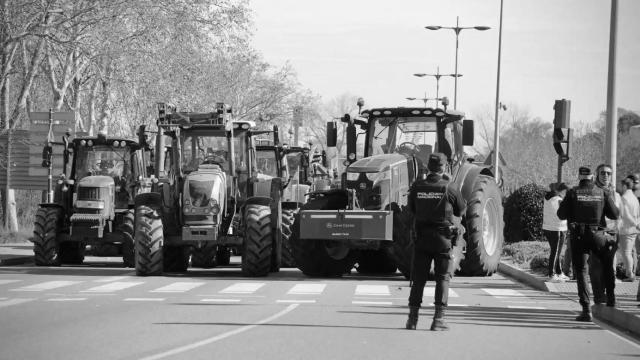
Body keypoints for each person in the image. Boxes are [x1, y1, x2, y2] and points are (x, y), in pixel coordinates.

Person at [405, 152, 466, 331]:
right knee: (442, 279)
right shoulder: (450, 187)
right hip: (443, 239)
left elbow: (411, 209)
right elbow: (461, 210)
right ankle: (438, 320)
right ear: (444, 167)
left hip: (422, 239)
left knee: (418, 280)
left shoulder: (417, 186)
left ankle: (412, 320)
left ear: (428, 167)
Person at [557, 166, 619, 321]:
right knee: (607, 265)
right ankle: (611, 299)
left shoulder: (572, 193)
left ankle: (586, 309)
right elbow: (615, 214)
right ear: (592, 177)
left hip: (579, 236)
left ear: (580, 177)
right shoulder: (602, 192)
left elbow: (561, 214)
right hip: (598, 234)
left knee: (581, 271)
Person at [591, 163, 621, 302]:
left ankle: (609, 295)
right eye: (603, 173)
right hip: (598, 234)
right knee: (597, 267)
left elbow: (618, 214)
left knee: (609, 267)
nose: (606, 176)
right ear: (597, 175)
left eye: (609, 173)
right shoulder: (593, 191)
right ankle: (599, 295)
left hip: (613, 234)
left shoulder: (614, 193)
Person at [543, 182, 570, 282]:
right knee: (555, 252)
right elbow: (561, 214)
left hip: (549, 227)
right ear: (562, 191)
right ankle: (552, 274)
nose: (566, 195)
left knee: (556, 252)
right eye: (566, 192)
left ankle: (559, 272)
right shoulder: (557, 200)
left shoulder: (548, 198)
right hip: (557, 229)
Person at [618, 175, 640, 282]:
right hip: (634, 229)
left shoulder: (624, 197)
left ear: (624, 186)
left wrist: (635, 223)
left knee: (626, 252)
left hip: (626, 229)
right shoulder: (634, 198)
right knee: (630, 251)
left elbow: (625, 214)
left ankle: (630, 274)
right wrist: (637, 223)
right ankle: (630, 273)